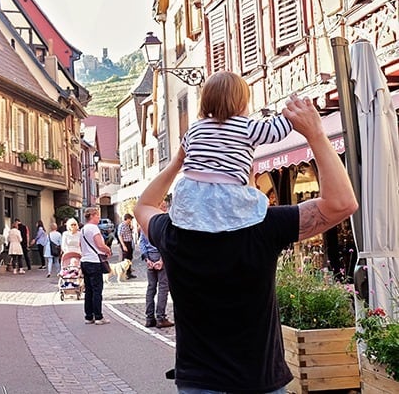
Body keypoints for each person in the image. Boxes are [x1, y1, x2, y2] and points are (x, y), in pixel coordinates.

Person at [134, 94, 359, 393]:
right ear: (246, 171)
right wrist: (316, 135)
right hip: (259, 381)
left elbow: (143, 206)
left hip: (198, 382)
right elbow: (342, 203)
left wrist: (178, 161)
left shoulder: (173, 233)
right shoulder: (263, 226)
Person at [169, 71, 293, 233]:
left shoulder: (195, 128)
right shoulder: (246, 127)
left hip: (192, 191)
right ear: (241, 104)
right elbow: (275, 131)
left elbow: (185, 150)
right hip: (229, 191)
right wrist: (290, 113)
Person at [80, 206, 112, 325]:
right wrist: (108, 250)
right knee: (97, 290)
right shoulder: (94, 228)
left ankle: (89, 316)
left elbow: (80, 245)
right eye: (97, 215)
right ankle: (98, 316)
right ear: (92, 216)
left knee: (88, 290)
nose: (99, 217)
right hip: (94, 261)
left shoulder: (82, 229)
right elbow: (100, 245)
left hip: (85, 261)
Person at [138, 231, 172, 329]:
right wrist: (161, 259)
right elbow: (164, 242)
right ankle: (160, 318)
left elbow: (142, 242)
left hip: (149, 256)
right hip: (160, 255)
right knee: (163, 288)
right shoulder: (160, 223)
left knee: (151, 288)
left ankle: (149, 318)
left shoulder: (145, 223)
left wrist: (147, 259)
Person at [117, 213, 137, 279]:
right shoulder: (122, 225)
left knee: (129, 258)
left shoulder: (128, 225)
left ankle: (129, 273)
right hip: (124, 243)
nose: (130, 221)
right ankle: (123, 274)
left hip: (129, 242)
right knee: (124, 260)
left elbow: (130, 233)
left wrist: (131, 228)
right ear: (127, 219)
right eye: (130, 219)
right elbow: (120, 235)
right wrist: (123, 245)